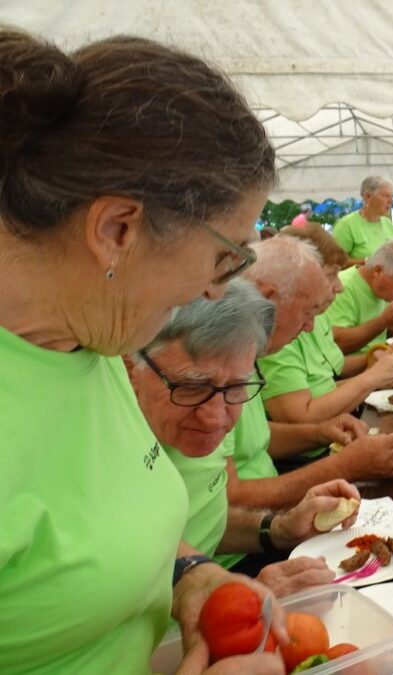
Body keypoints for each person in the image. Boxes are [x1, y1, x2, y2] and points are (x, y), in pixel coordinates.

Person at [0, 30, 286, 674]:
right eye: (224, 256)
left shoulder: (95, 341)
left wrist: (190, 574)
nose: (219, 288)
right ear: (117, 230)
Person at [128, 281, 358, 597]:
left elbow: (205, 525)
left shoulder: (192, 427)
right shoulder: (104, 444)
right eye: (191, 387)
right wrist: (239, 602)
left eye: (237, 387)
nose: (216, 417)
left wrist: (278, 528)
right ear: (130, 367)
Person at [244, 236, 393, 428]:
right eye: (331, 275)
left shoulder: (313, 318)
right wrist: (373, 378)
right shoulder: (277, 335)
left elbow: (328, 381)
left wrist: (376, 361)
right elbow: (297, 418)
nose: (340, 286)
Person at [325, 239, 393, 354]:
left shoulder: (382, 290)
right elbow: (335, 345)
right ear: (378, 270)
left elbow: (372, 338)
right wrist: (383, 322)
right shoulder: (342, 288)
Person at [332, 176, 393, 264]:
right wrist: (367, 262)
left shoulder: (388, 223)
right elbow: (334, 262)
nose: (391, 201)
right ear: (367, 197)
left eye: (391, 196)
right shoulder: (346, 225)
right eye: (386, 196)